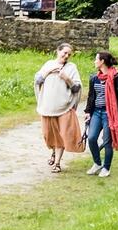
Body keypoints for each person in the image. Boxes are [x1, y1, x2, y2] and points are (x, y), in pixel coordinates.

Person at [34, 42, 84, 172]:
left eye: (69, 54)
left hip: (64, 107)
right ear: (58, 51)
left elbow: (77, 88)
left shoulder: (72, 67)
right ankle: (54, 152)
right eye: (65, 52)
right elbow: (38, 81)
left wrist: (66, 78)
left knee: (63, 135)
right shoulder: (48, 64)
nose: (66, 56)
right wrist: (49, 72)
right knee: (48, 135)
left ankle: (57, 164)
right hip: (47, 107)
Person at [82, 51, 118, 178]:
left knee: (107, 142)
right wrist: (87, 111)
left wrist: (114, 110)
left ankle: (106, 167)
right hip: (97, 112)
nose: (94, 61)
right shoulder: (94, 78)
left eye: (96, 59)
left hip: (109, 114)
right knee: (91, 138)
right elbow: (91, 96)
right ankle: (97, 163)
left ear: (102, 61)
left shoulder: (116, 77)